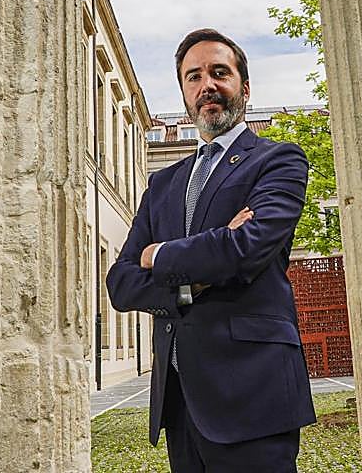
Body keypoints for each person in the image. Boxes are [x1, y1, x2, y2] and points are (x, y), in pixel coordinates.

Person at [106, 28, 316, 472]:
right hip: (180, 399)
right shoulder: (162, 184)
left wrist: (157, 255)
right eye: (194, 76)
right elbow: (121, 283)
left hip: (253, 392)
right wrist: (192, 283)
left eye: (220, 73)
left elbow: (247, 248)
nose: (207, 85)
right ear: (185, 92)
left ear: (245, 87)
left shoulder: (278, 160)